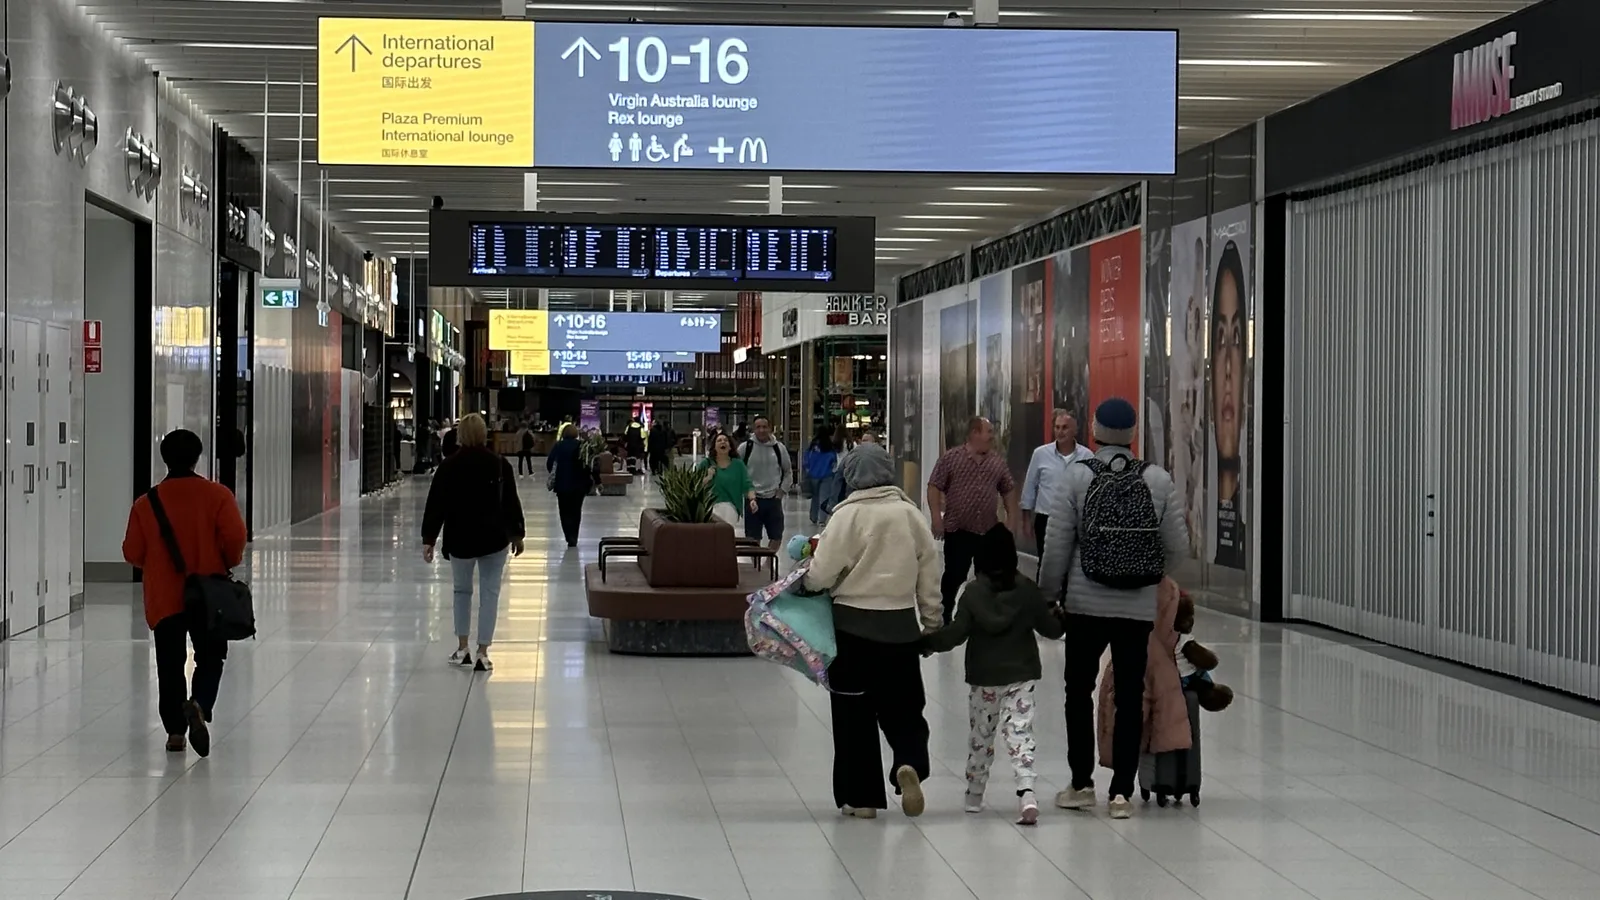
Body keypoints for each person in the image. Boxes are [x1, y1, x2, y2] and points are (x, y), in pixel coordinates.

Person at [1038, 397, 1188, 820]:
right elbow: (1178, 548)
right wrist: (1148, 576)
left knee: (1077, 691)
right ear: (1133, 435)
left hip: (1085, 606)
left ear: (1095, 433)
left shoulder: (1075, 476)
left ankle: (1081, 784)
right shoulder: (1158, 480)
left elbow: (1057, 547)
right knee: (1129, 694)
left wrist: (1049, 594)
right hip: (1136, 609)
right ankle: (1122, 791)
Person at [803, 443, 942, 819]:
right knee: (906, 710)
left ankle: (862, 798)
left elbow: (822, 572)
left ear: (849, 475)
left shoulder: (846, 516)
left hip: (851, 632)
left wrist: (808, 584)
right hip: (899, 631)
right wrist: (931, 623)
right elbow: (929, 574)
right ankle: (908, 762)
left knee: (853, 716)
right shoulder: (910, 516)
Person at [923, 524, 1063, 825]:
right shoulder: (1027, 589)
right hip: (1021, 675)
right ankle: (1027, 792)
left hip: (984, 677)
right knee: (1020, 733)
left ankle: (974, 794)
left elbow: (956, 634)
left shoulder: (972, 593)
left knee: (981, 737)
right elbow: (1051, 630)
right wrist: (1063, 616)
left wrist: (926, 642)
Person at [121, 429, 248, 757]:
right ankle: (200, 704)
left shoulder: (146, 503)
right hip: (210, 594)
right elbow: (235, 537)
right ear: (197, 457)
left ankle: (175, 732)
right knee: (210, 655)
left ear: (165, 458)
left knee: (169, 662)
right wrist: (224, 561)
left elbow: (133, 552)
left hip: (165, 597)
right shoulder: (217, 495)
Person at [422, 413, 526, 672]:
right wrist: (517, 535)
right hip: (494, 538)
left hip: (460, 539)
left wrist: (429, 539)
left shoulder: (449, 466)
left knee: (462, 591)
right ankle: (483, 651)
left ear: (460, 436)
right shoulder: (500, 465)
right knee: (490, 594)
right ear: (484, 434)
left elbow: (436, 504)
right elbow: (510, 502)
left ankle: (462, 648)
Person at [926, 416, 1018, 623]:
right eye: (989, 431)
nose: (992, 436)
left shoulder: (997, 462)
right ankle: (945, 616)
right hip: (958, 531)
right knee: (953, 576)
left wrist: (1011, 522)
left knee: (986, 579)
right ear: (975, 433)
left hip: (988, 532)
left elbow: (1009, 489)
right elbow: (934, 485)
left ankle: (982, 618)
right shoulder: (951, 458)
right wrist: (936, 518)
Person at [1020, 412, 1094, 561]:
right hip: (1046, 519)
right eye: (1057, 427)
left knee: (1072, 564)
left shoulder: (1087, 456)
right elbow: (1030, 487)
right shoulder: (1040, 454)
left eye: (1065, 428)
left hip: (1075, 520)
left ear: (1075, 430)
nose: (1060, 432)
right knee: (1046, 563)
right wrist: (1026, 521)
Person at [738, 416, 793, 550]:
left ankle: (767, 564)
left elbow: (788, 472)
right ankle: (755, 566)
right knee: (752, 538)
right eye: (758, 427)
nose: (762, 430)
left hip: (773, 499)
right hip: (753, 499)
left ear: (770, 428)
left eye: (764, 427)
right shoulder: (745, 448)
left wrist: (781, 492)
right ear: (753, 429)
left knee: (776, 536)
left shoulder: (779, 448)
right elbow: (737, 471)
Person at [545, 424, 593, 547]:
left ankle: (568, 535)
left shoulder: (558, 446)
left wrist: (555, 473)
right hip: (579, 485)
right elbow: (588, 465)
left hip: (562, 485)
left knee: (564, 511)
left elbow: (550, 462)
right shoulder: (582, 446)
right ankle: (574, 536)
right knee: (576, 511)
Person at [699, 432, 756, 525]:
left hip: (731, 507)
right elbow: (695, 486)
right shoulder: (706, 464)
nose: (723, 442)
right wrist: (708, 478)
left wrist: (752, 500)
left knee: (725, 532)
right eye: (719, 441)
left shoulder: (738, 465)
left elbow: (747, 484)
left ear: (730, 447)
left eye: (726, 440)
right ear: (714, 447)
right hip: (709, 507)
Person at [803, 430, 840, 525]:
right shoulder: (829, 448)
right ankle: (822, 519)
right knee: (824, 497)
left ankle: (813, 517)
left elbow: (806, 459)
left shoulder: (812, 447)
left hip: (813, 475)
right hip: (827, 475)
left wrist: (808, 469)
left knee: (815, 497)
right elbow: (834, 461)